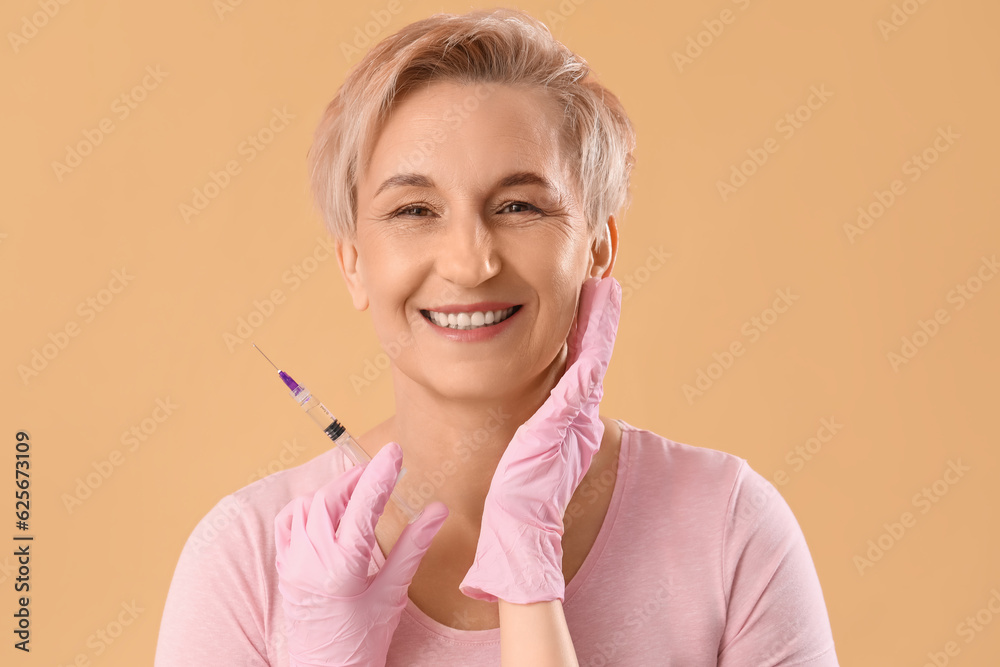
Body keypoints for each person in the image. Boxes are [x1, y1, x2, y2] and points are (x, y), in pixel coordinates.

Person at [155, 7, 839, 666]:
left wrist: (528, 572)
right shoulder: (248, 560)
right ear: (354, 264)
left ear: (599, 248)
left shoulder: (727, 530)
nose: (470, 261)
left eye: (518, 205)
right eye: (414, 209)